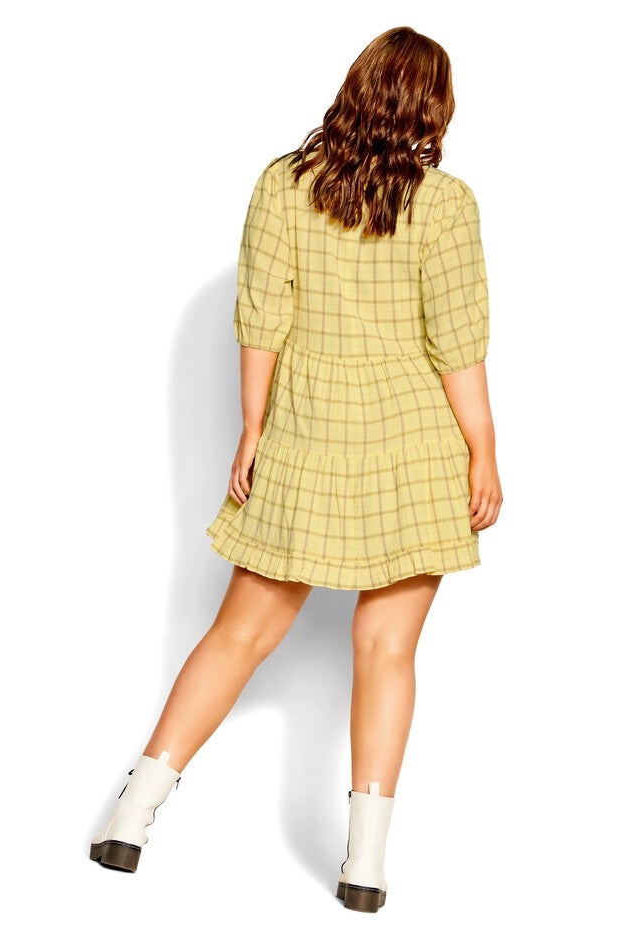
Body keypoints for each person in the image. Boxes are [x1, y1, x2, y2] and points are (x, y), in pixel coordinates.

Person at [89, 25, 503, 914]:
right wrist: (484, 450)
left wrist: (252, 429)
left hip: (305, 431)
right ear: (433, 108)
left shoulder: (283, 184)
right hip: (413, 444)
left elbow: (260, 318)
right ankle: (364, 868)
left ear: (355, 88)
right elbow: (457, 342)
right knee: (386, 650)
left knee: (237, 634)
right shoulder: (446, 203)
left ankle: (130, 817)